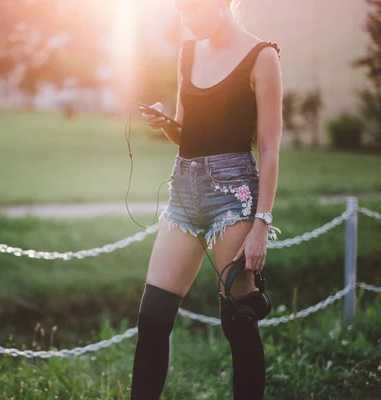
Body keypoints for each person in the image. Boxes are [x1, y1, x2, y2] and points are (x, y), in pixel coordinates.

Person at [130, 0, 283, 399]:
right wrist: (167, 124)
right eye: (181, 10)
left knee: (238, 321)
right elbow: (187, 135)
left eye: (193, 9)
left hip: (234, 196)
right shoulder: (189, 51)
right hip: (183, 192)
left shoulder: (262, 56)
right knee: (152, 317)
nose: (186, 18)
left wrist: (260, 225)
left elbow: (269, 149)